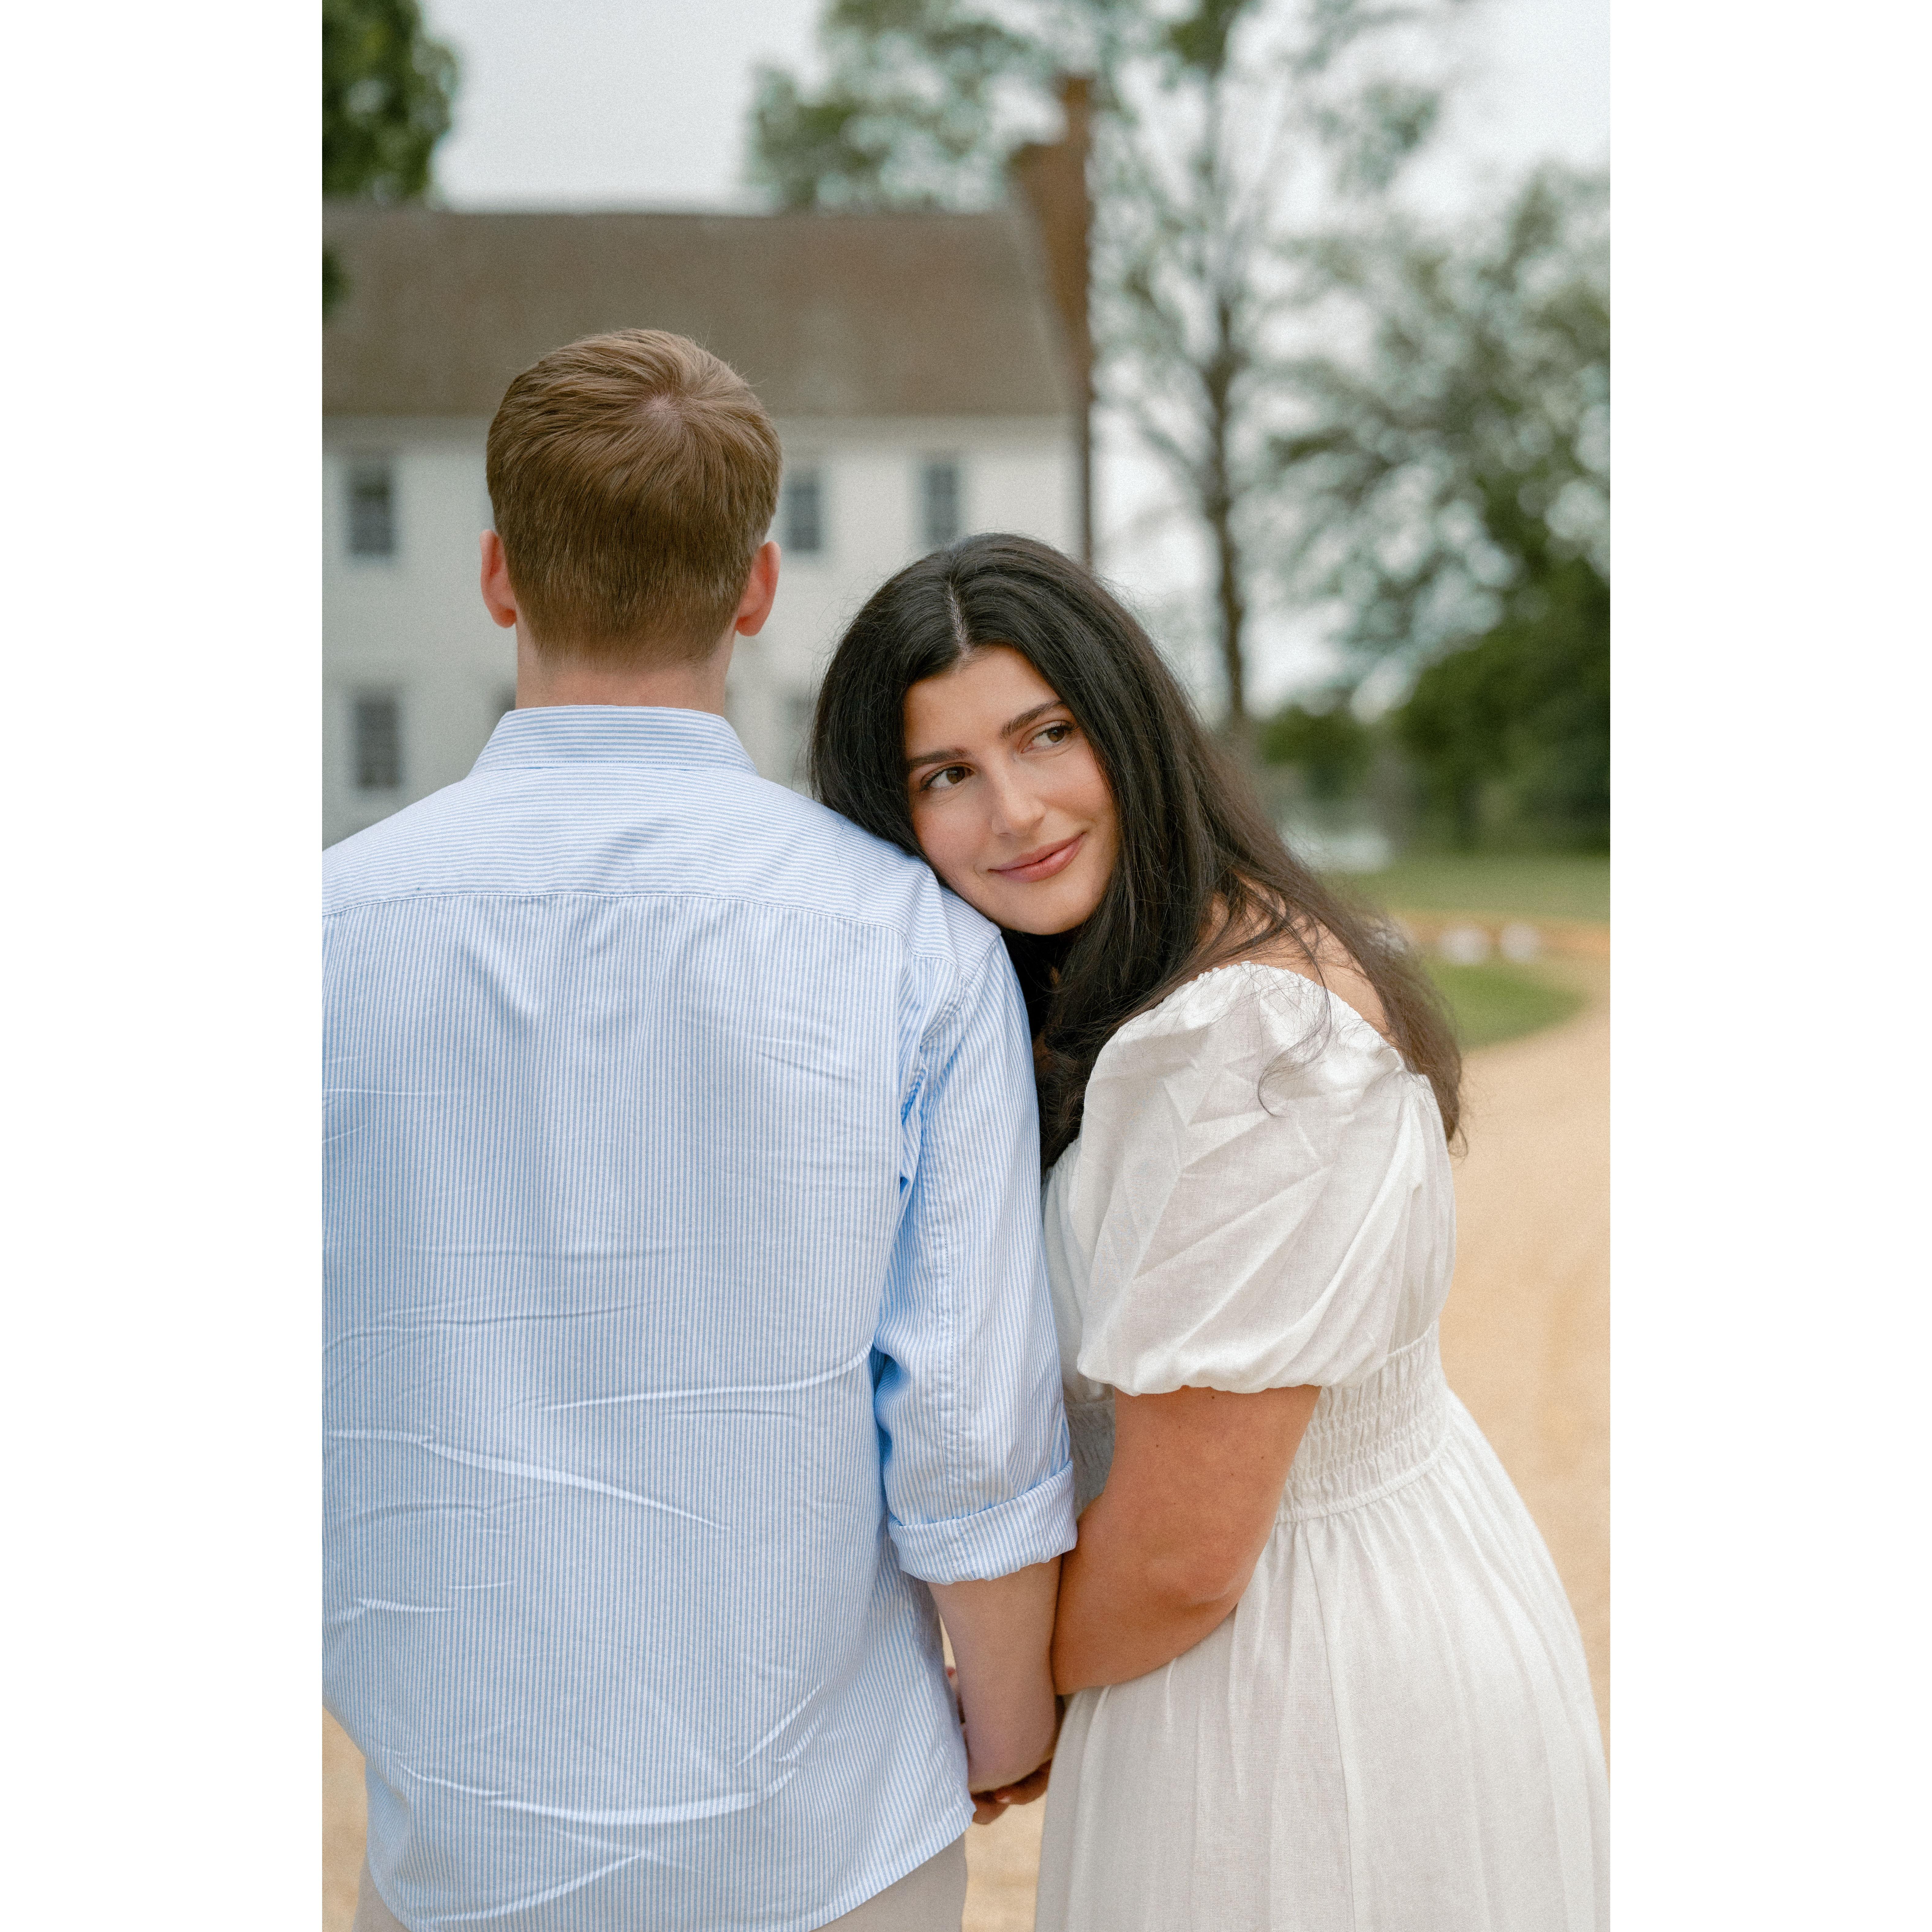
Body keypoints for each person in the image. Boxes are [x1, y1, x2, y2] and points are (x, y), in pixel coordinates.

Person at [323, 333, 1076, 1932]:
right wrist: (1007, 1721)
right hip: (824, 1847)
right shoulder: (911, 945)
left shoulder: (322, 940)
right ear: (755, 588)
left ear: (496, 575)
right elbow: (966, 1420)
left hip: (462, 1845)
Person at [811, 533, 1611, 1930]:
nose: (1015, 810)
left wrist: (1008, 1707)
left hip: (1296, 1675)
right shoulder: (1173, 979)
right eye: (948, 775)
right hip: (1267, 1626)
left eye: (1047, 735)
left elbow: (1186, 1553)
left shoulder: (1245, 1040)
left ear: (1125, 722)